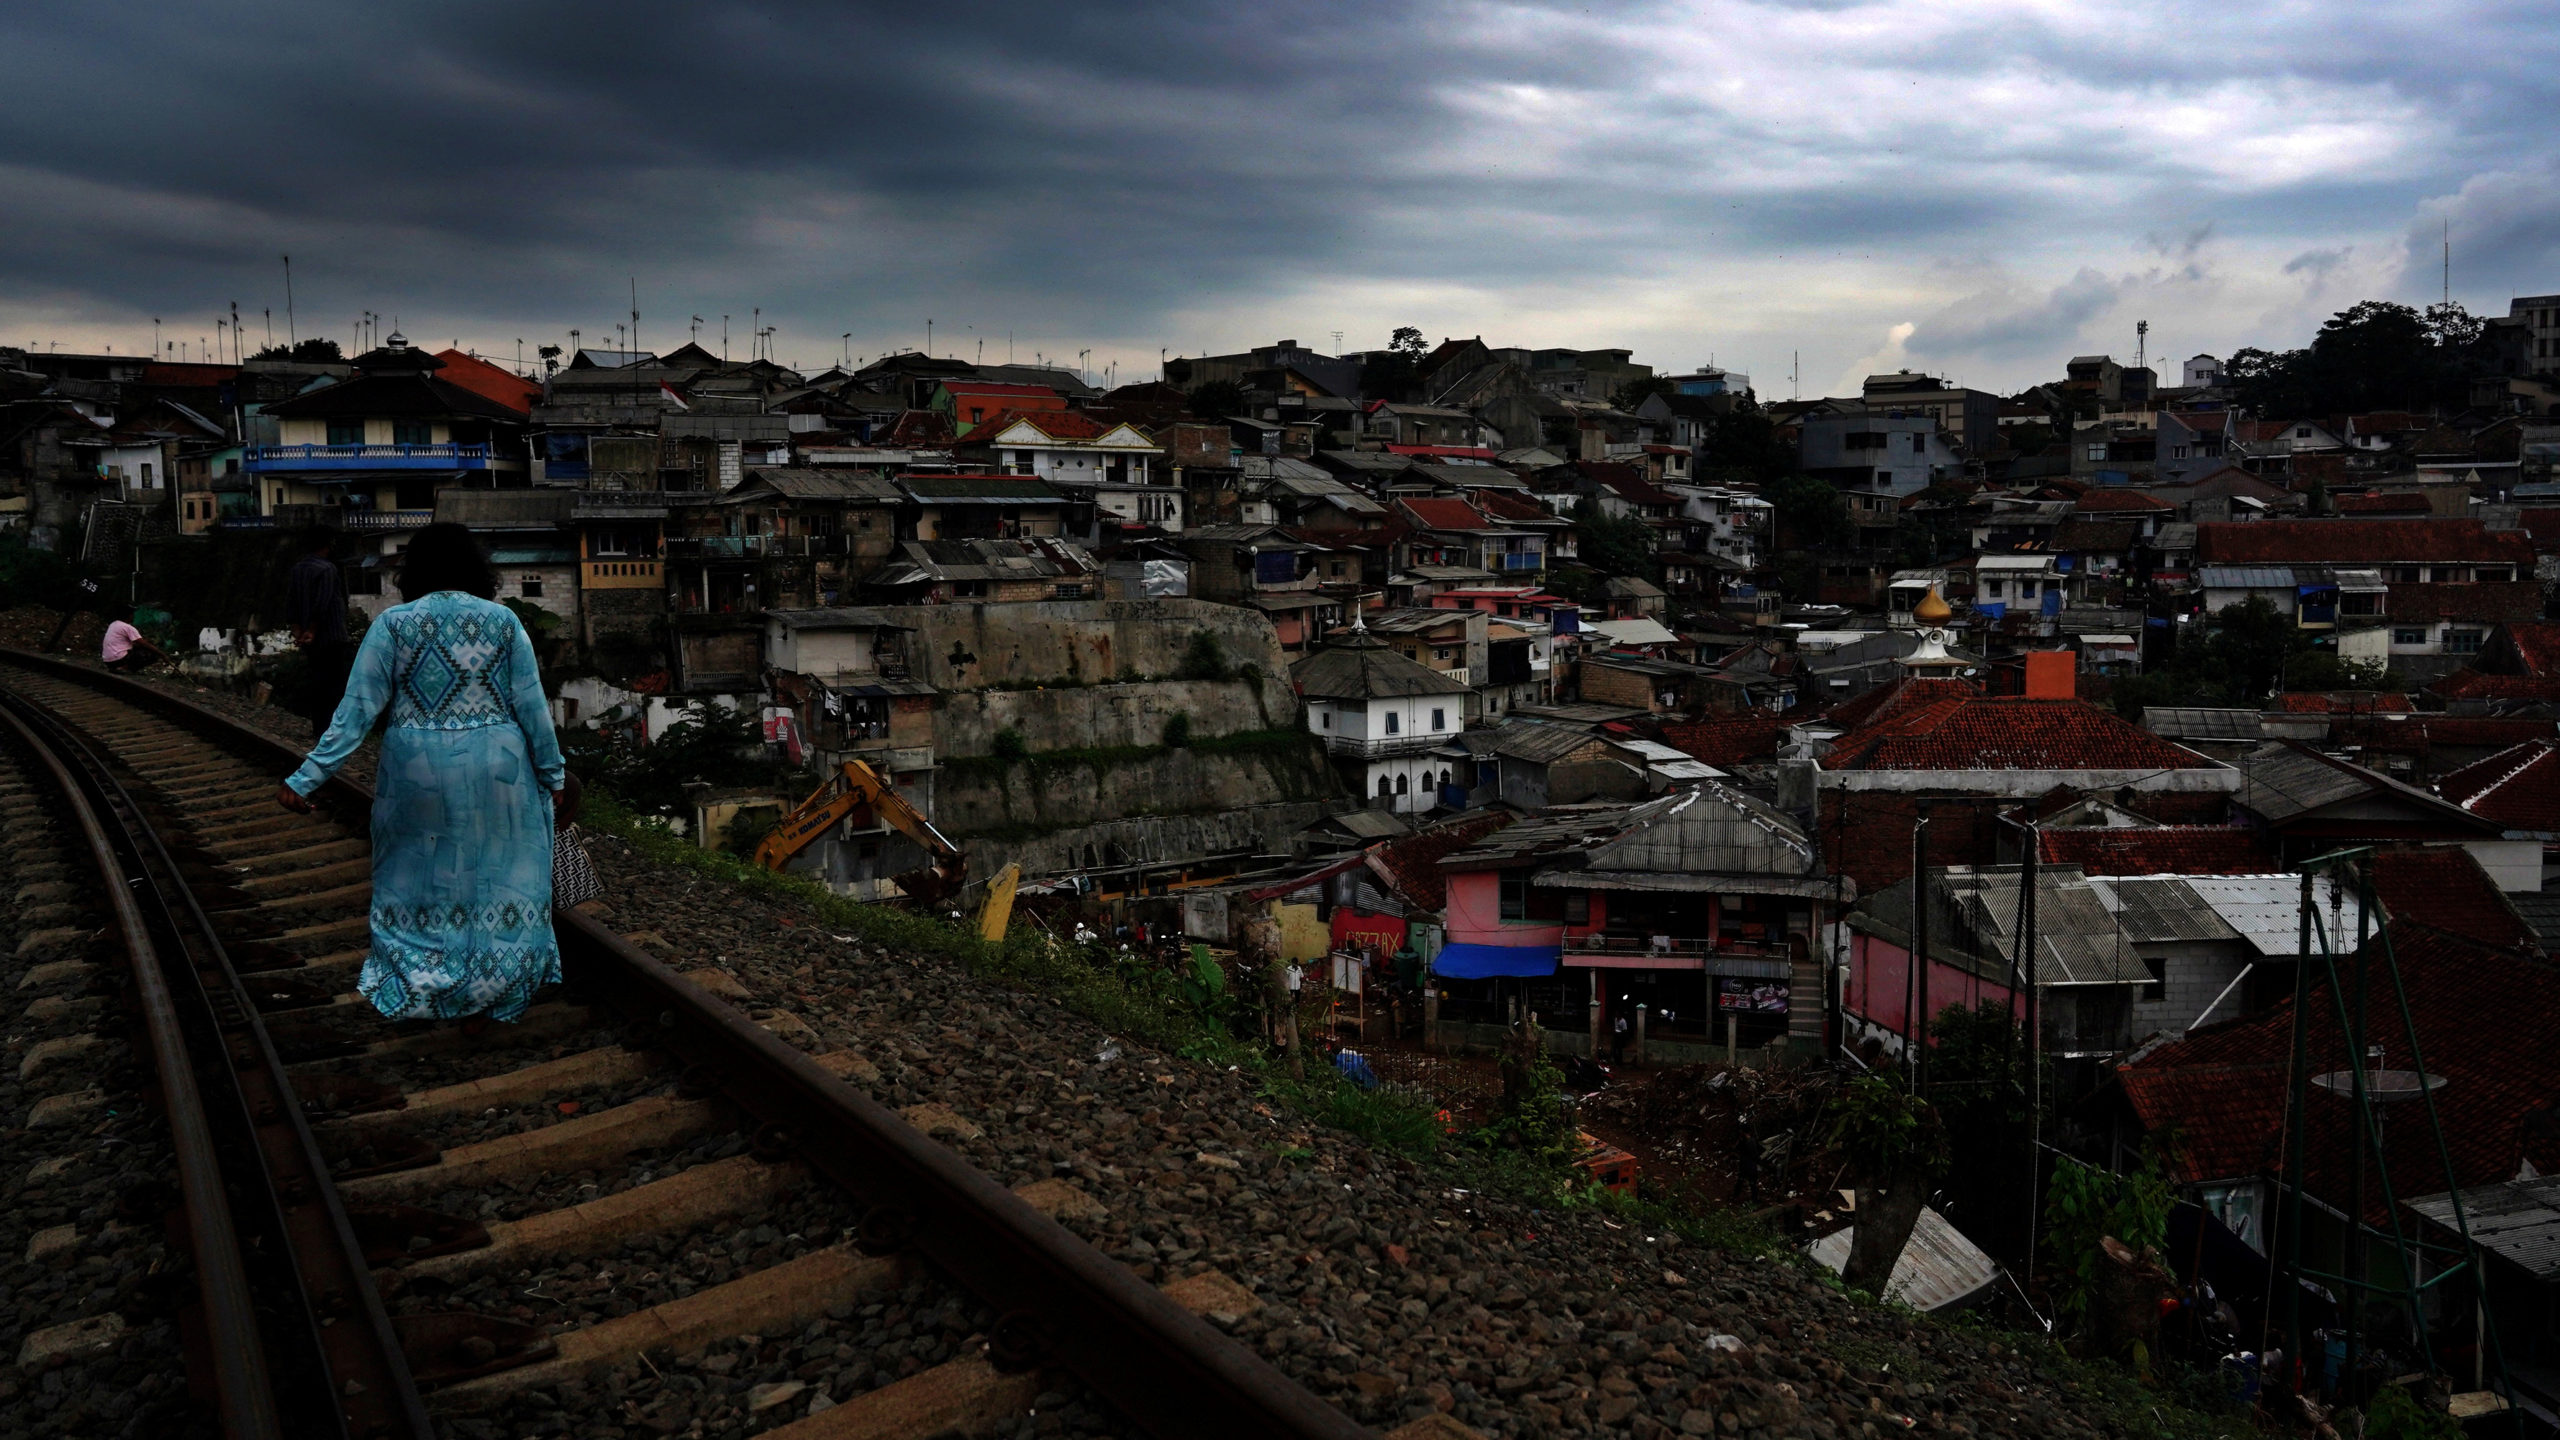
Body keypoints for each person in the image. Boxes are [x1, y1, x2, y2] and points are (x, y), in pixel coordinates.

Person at [276, 523, 565, 1027]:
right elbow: (533, 708)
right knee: (502, 879)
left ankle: (420, 984)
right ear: (478, 569)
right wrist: (553, 775)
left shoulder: (392, 625)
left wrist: (304, 779)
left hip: (417, 767)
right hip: (499, 766)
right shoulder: (503, 622)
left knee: (413, 879)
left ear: (414, 572)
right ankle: (500, 984)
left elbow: (356, 713)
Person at [285, 527, 353, 736]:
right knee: (335, 685)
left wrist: (299, 630)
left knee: (317, 683)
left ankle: (319, 727)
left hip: (309, 638)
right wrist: (313, 630)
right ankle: (332, 730)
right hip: (330, 636)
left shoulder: (298, 568)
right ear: (327, 544)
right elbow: (323, 603)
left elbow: (291, 602)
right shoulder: (327, 569)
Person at [101, 612, 168, 672]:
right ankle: (125, 668)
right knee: (152, 653)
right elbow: (144, 644)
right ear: (129, 616)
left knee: (137, 648)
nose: (134, 616)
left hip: (108, 661)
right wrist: (162, 654)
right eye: (132, 615)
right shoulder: (128, 627)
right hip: (118, 660)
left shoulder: (113, 624)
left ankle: (120, 668)